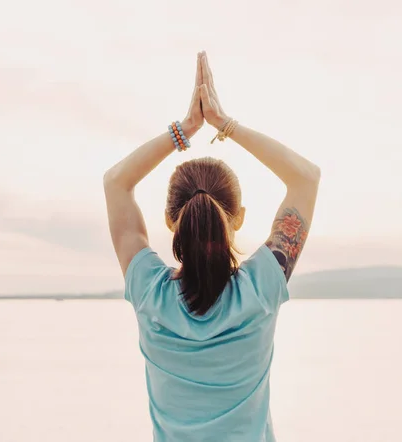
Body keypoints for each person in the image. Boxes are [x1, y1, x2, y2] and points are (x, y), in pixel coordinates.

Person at [103, 51, 321, 442]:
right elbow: (306, 178)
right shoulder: (260, 289)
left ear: (172, 221)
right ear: (237, 218)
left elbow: (116, 182)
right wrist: (225, 123)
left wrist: (185, 128)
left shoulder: (149, 292)